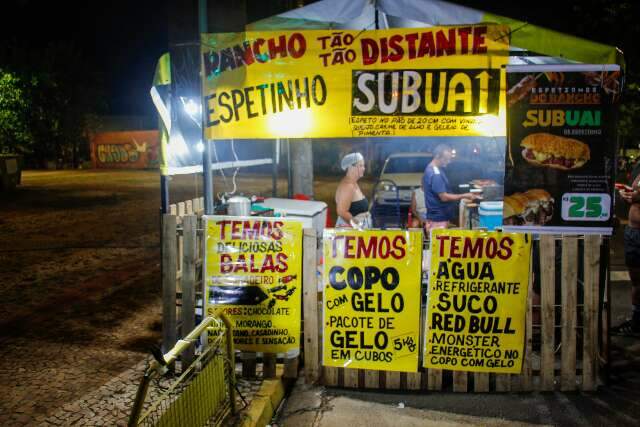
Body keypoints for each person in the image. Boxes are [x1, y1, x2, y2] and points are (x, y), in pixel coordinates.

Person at [422, 144, 479, 232]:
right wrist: (465, 195)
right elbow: (444, 197)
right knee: (438, 244)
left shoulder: (431, 168)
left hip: (435, 217)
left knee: (436, 244)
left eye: (449, 159)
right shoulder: (435, 173)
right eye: (446, 159)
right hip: (439, 219)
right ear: (437, 156)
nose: (448, 162)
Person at [613, 160, 640, 335]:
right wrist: (628, 195)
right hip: (634, 232)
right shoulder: (639, 166)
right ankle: (637, 322)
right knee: (637, 282)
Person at [335, 152, 371, 228]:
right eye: (361, 166)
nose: (364, 168)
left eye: (363, 166)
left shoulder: (354, 183)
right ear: (351, 167)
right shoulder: (348, 186)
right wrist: (358, 226)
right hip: (350, 233)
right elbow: (342, 212)